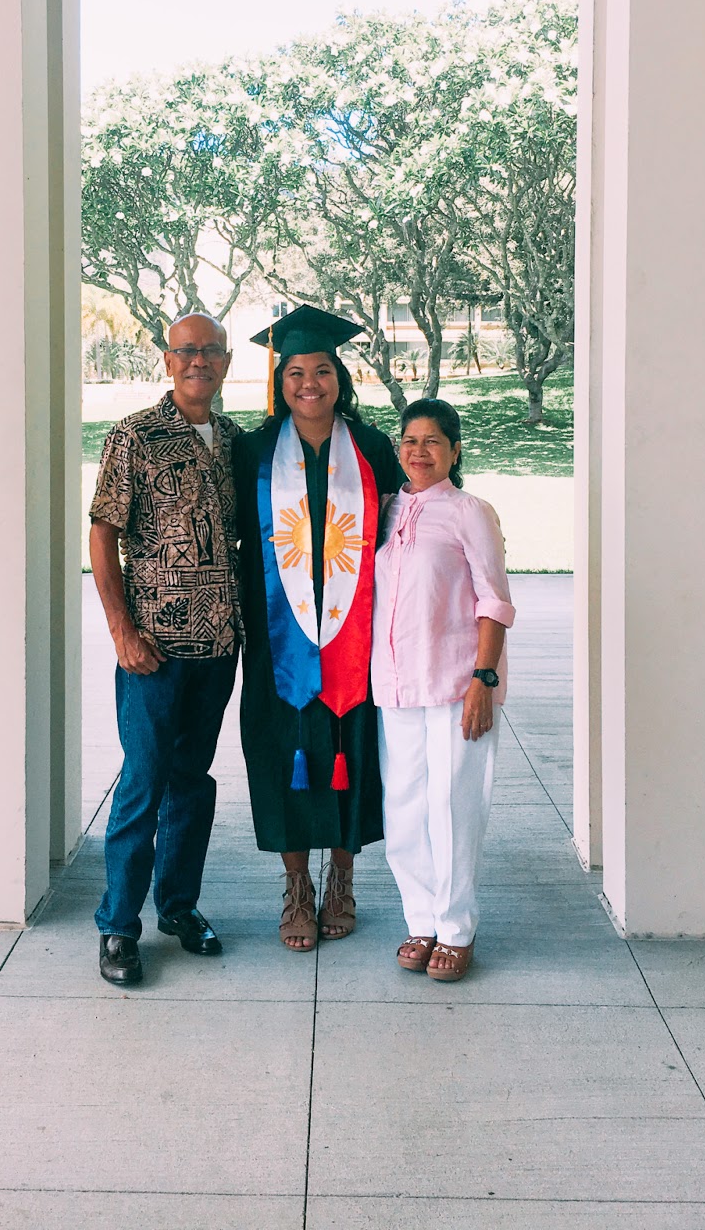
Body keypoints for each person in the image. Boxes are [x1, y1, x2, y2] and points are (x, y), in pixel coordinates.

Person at [234, 305, 403, 951]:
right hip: (279, 643)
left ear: (341, 377)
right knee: (283, 757)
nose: (310, 382)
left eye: (323, 370)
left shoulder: (373, 448)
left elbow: (398, 537)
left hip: (356, 640)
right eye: (296, 371)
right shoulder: (250, 450)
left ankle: (343, 882)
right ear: (281, 382)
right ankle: (298, 888)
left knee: (352, 754)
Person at [88, 313, 240, 986]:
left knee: (192, 781)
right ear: (168, 361)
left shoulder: (236, 442)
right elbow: (102, 534)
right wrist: (122, 629)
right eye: (186, 352)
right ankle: (119, 927)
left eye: (209, 351)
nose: (198, 361)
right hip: (152, 649)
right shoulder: (136, 437)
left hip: (216, 647)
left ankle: (178, 908)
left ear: (226, 362)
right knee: (144, 780)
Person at [371, 398, 516, 982]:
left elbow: (495, 600)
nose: (419, 451)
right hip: (397, 683)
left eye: (433, 441)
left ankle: (456, 928)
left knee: (453, 806)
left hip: (458, 682)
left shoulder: (469, 512)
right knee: (404, 808)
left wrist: (484, 678)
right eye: (409, 440)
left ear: (455, 451)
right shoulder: (383, 510)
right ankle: (421, 920)